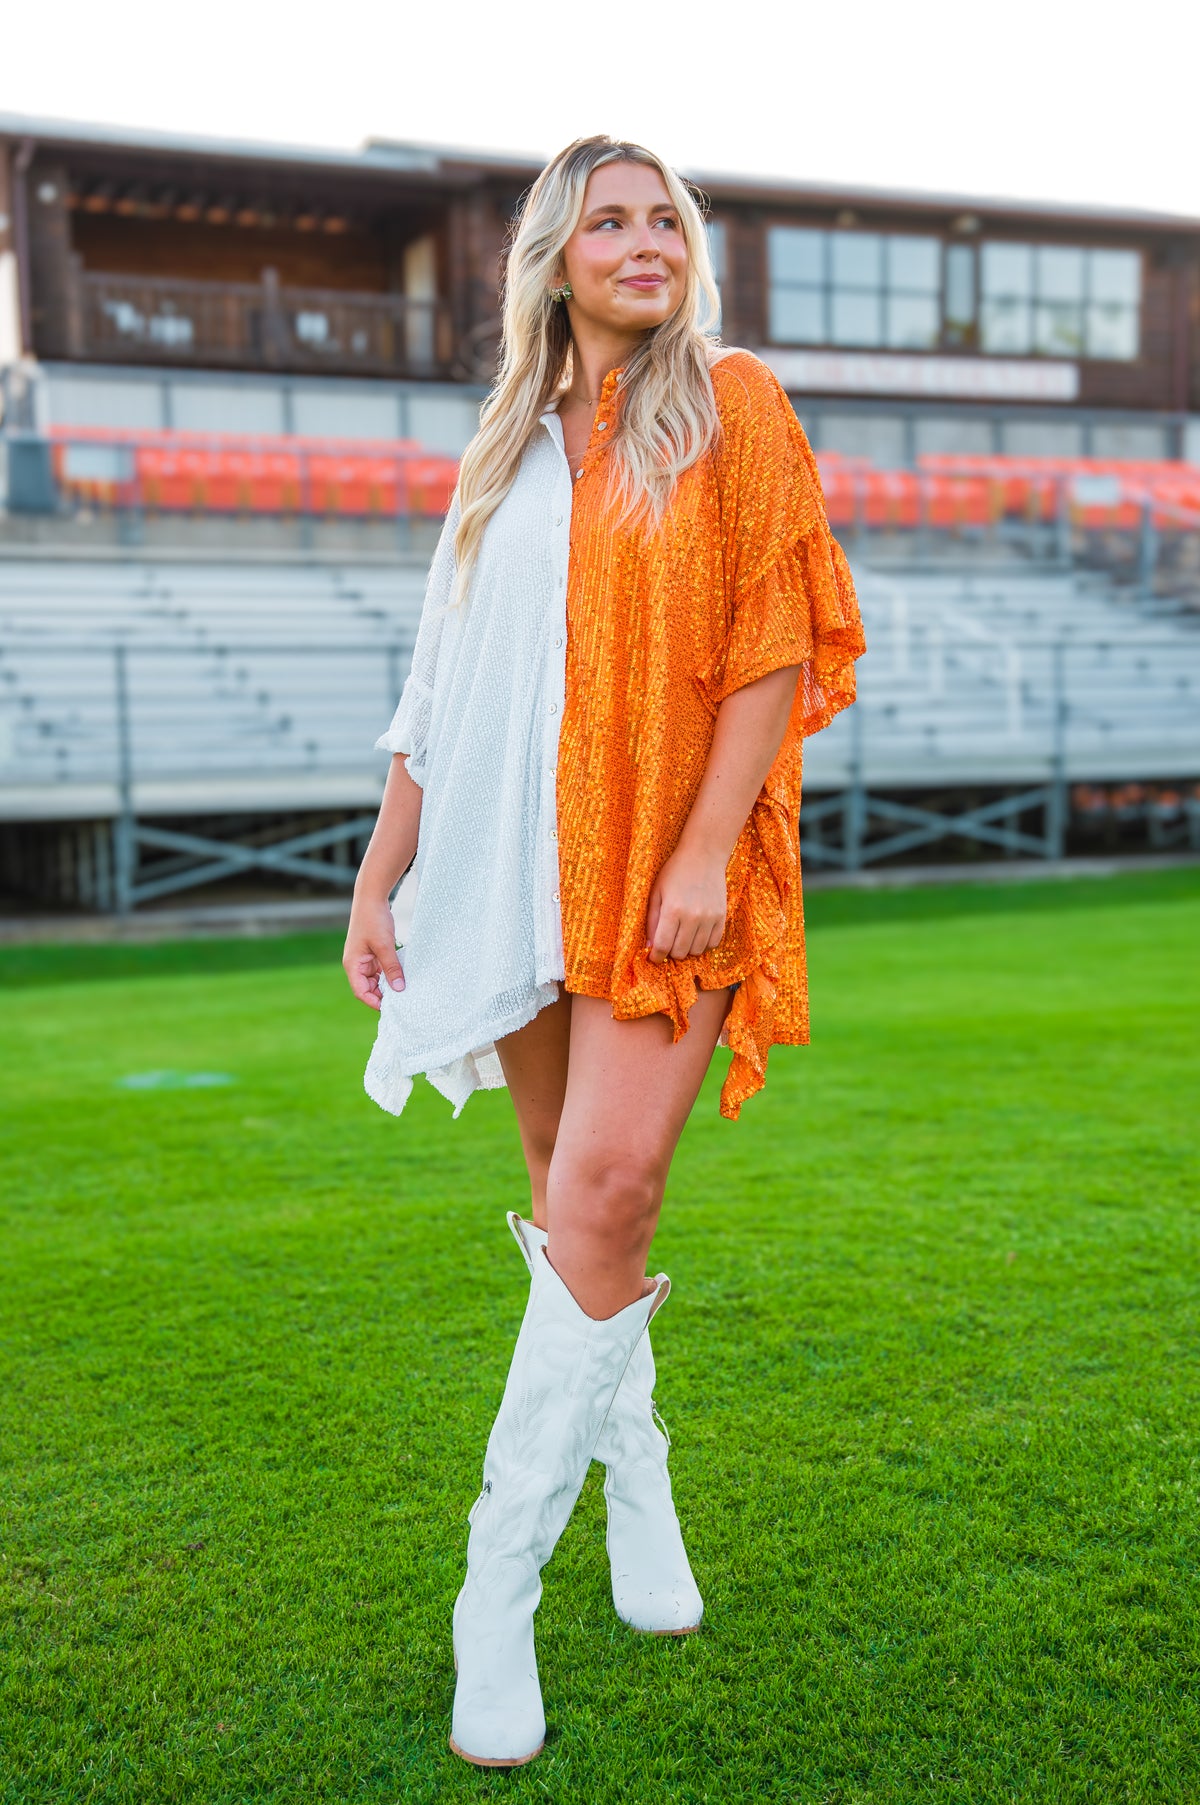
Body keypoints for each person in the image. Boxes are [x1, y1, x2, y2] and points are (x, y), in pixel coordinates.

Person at [342, 134, 865, 1768]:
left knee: (609, 1194)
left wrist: (709, 847)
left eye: (667, 218)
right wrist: (382, 874)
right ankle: (640, 1497)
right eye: (610, 218)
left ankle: (490, 1593)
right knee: (575, 1193)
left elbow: (776, 638)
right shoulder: (500, 453)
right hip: (514, 868)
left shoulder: (735, 405)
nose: (645, 240)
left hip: (663, 871)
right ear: (554, 255)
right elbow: (438, 690)